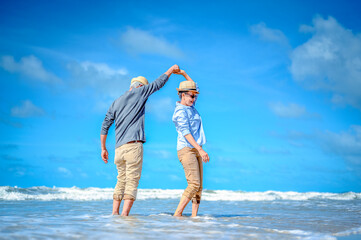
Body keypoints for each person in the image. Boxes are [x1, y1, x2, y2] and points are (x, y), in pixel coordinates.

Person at [100, 64, 180, 216]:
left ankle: (115, 214)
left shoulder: (116, 102)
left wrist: (103, 148)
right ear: (140, 86)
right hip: (132, 146)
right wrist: (170, 70)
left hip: (118, 149)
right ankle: (124, 215)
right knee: (132, 182)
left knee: (120, 181)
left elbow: (105, 125)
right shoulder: (140, 92)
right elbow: (158, 84)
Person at [172, 70, 210, 217]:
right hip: (187, 149)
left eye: (195, 96)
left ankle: (194, 218)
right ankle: (177, 214)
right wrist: (200, 149)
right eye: (192, 96)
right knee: (193, 184)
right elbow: (186, 133)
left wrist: (183, 73)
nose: (194, 98)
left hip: (195, 149)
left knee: (199, 187)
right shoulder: (180, 111)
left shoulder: (190, 107)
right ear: (183, 95)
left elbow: (195, 86)